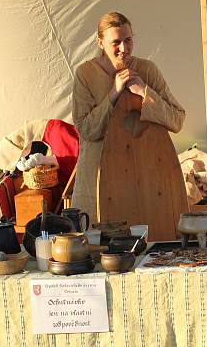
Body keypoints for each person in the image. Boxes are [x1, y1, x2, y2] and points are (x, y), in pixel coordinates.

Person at [71, 11, 186, 220]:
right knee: (98, 245)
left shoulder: (147, 70)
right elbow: (86, 129)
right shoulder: (85, 74)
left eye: (128, 40)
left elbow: (177, 119)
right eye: (116, 42)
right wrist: (114, 93)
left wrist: (145, 93)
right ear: (100, 42)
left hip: (142, 178)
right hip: (98, 179)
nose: (123, 48)